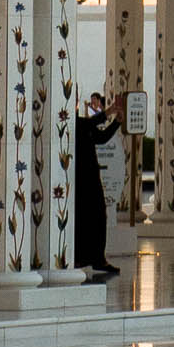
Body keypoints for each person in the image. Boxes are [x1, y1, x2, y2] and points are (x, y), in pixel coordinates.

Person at [75, 92, 119, 278]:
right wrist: (109, 111)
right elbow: (87, 124)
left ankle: (97, 258)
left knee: (98, 216)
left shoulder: (82, 123)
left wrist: (117, 121)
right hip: (77, 178)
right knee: (82, 219)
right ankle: (79, 258)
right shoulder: (71, 123)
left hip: (91, 176)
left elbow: (100, 138)